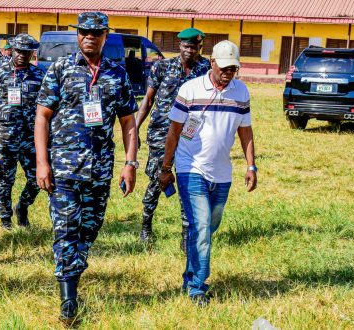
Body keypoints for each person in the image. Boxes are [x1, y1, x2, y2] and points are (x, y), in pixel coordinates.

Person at [35, 12, 138, 324]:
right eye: (84, 32)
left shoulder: (117, 74)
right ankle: (69, 300)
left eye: (95, 32)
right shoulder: (61, 69)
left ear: (105, 35)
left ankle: (73, 267)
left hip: (99, 169)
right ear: (78, 35)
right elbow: (42, 116)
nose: (89, 37)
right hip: (64, 169)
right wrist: (42, 163)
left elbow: (129, 123)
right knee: (65, 229)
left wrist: (130, 163)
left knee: (89, 230)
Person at [159, 40, 257, 307]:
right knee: (201, 227)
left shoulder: (241, 92)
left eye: (233, 69)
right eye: (224, 67)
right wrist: (166, 168)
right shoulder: (190, 89)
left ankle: (190, 272)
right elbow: (174, 132)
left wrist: (251, 165)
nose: (228, 73)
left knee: (209, 226)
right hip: (190, 168)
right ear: (212, 62)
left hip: (222, 172)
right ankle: (197, 286)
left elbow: (245, 131)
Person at [134, 28, 211, 249]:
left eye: (194, 47)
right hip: (161, 133)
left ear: (199, 48)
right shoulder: (162, 67)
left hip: (193, 134)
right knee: (159, 179)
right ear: (179, 46)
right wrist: (135, 130)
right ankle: (146, 225)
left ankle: (186, 235)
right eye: (186, 46)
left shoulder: (205, 69)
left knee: (189, 182)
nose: (189, 51)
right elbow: (148, 101)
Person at [0, 34, 44, 229]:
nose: (22, 55)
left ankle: (23, 206)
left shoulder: (39, 75)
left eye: (27, 52)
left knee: (36, 179)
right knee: (5, 180)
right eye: (19, 51)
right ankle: (5, 218)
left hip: (30, 138)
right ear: (12, 50)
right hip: (4, 138)